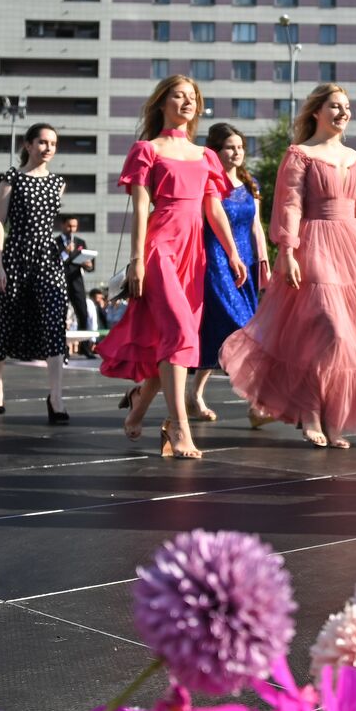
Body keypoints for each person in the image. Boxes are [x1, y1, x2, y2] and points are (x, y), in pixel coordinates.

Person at [219, 83, 356, 447]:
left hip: (353, 248)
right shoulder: (300, 154)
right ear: (316, 111)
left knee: (349, 339)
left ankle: (334, 418)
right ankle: (311, 413)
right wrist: (287, 248)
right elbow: (290, 204)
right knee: (328, 327)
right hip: (314, 244)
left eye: (346, 106)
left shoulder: (355, 158)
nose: (342, 112)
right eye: (335, 106)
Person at [99, 77, 248, 457]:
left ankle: (138, 408)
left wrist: (232, 252)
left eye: (192, 98)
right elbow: (140, 210)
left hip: (193, 254)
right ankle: (178, 428)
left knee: (170, 344)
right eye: (178, 96)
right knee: (181, 333)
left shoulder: (206, 156)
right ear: (162, 102)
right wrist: (136, 261)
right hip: (159, 248)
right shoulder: (146, 150)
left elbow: (213, 208)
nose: (186, 102)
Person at [0, 123, 73, 423]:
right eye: (42, 142)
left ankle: (56, 396)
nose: (48, 148)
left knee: (53, 318)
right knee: (4, 319)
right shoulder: (13, 177)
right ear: (28, 145)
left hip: (47, 258)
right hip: (14, 255)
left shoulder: (58, 182)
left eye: (53, 144)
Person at [187, 122, 269, 426]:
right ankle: (257, 402)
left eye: (240, 147)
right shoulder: (208, 181)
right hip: (217, 263)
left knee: (220, 331)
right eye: (229, 147)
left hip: (246, 264)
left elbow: (256, 226)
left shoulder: (251, 184)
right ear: (215, 151)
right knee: (239, 329)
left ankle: (194, 395)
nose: (237, 152)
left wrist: (263, 261)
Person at [59, 216, 95, 352]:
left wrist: (88, 264)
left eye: (74, 226)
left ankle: (84, 348)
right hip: (61, 282)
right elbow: (53, 263)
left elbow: (90, 266)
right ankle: (60, 347)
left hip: (77, 282)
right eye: (69, 226)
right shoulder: (55, 243)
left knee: (83, 313)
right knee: (60, 314)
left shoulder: (81, 242)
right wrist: (65, 253)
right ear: (63, 225)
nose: (71, 229)